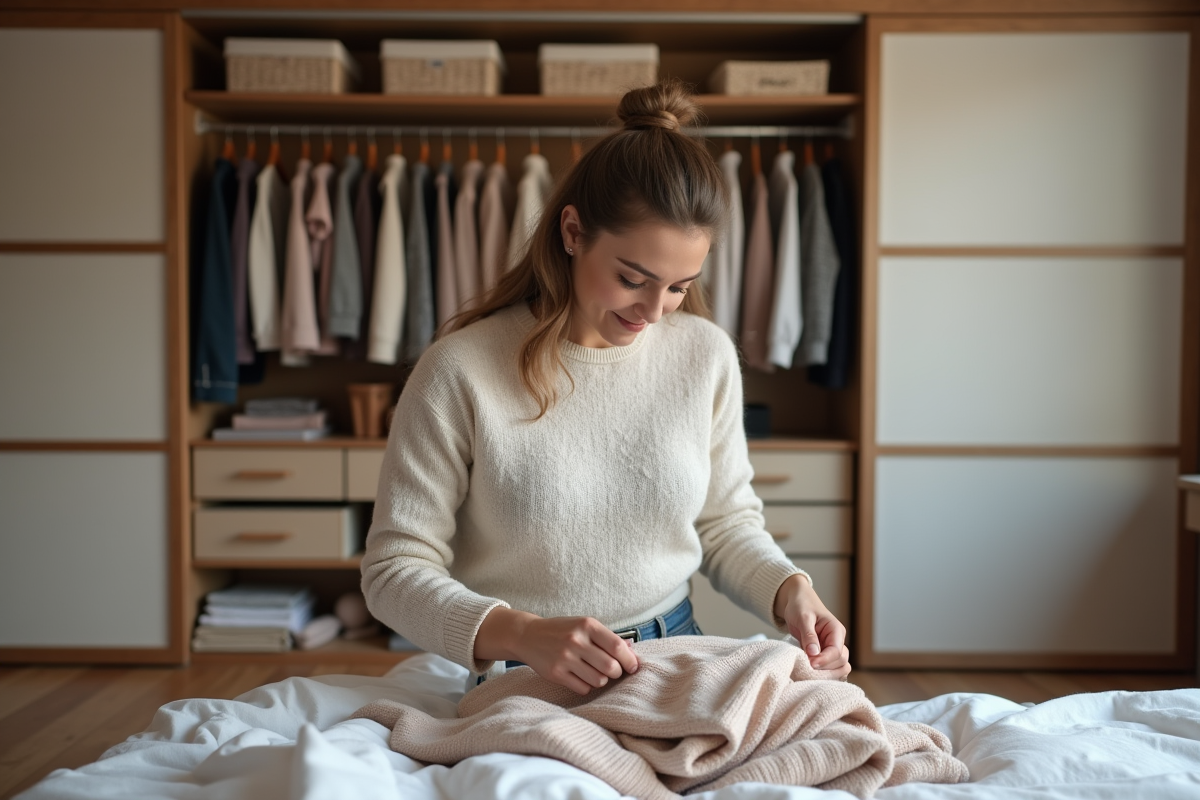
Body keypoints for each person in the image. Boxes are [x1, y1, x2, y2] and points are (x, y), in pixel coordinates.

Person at [361, 78, 851, 696]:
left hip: (675, 654)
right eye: (632, 278)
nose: (654, 309)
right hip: (525, 672)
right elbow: (392, 570)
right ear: (572, 232)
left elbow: (725, 523)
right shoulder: (460, 370)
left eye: (678, 286)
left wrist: (790, 590)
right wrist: (517, 632)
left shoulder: (704, 355)